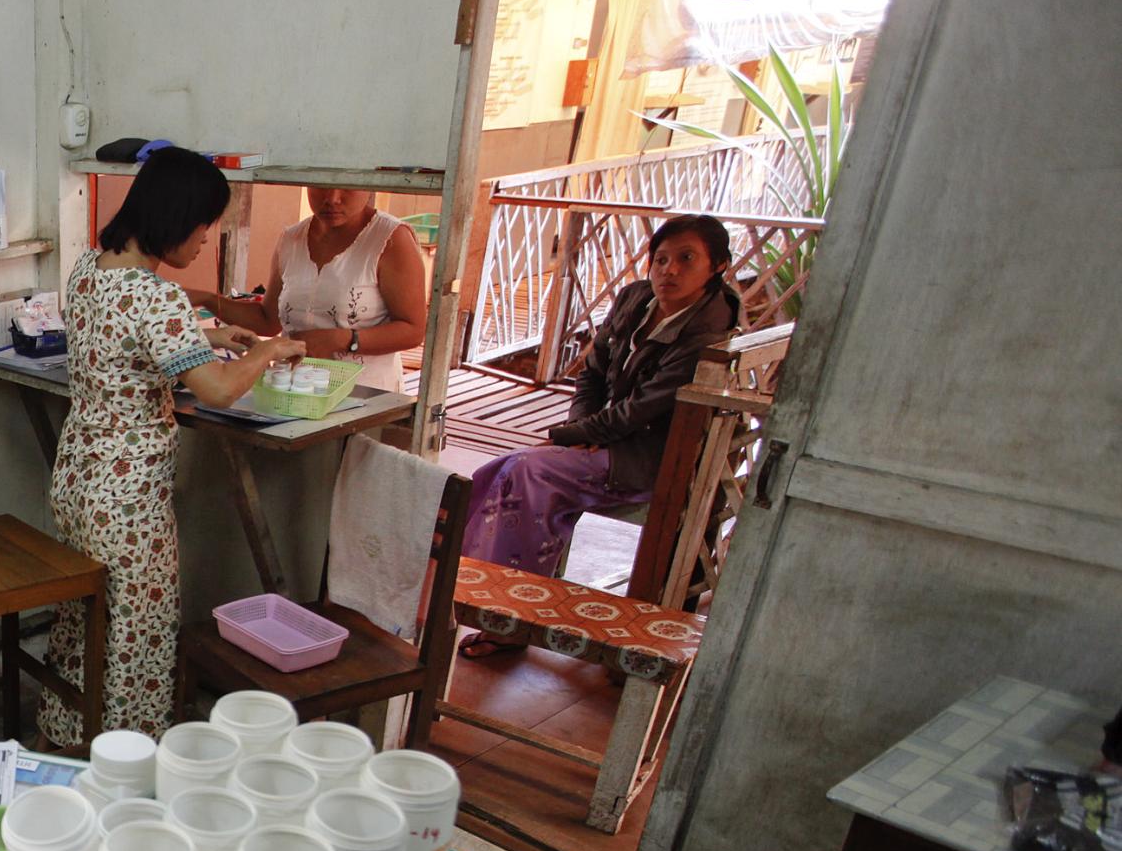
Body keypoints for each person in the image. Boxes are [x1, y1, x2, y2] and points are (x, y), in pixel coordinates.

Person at [37, 147, 304, 748]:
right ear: (178, 216)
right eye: (206, 225)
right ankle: (125, 754)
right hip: (128, 497)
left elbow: (123, 339)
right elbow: (217, 389)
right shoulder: (157, 298)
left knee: (88, 619)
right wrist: (265, 350)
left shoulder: (90, 268)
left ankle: (69, 732)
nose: (207, 240)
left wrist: (206, 333)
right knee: (138, 627)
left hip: (80, 478)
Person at [458, 213, 740, 646]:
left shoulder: (707, 333)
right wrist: (579, 428)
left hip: (654, 457)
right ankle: (482, 598)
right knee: (493, 472)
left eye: (687, 259)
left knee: (529, 474)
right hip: (612, 440)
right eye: (661, 259)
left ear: (718, 265)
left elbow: (641, 411)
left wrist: (572, 436)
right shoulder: (636, 299)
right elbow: (592, 373)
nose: (670, 271)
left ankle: (510, 620)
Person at [202, 186, 427, 394]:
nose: (332, 199)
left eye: (347, 188)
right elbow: (268, 320)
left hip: (365, 396)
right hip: (295, 392)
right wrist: (206, 299)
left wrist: (344, 339)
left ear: (368, 184)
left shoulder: (390, 239)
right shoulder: (291, 239)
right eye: (321, 186)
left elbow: (413, 330)